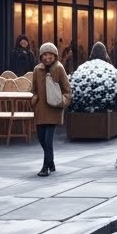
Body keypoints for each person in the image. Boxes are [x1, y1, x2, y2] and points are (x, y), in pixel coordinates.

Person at [30, 41, 71, 176]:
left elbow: (67, 90)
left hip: (54, 110)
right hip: (40, 110)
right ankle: (51, 162)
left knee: (48, 140)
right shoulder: (37, 70)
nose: (47, 58)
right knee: (42, 139)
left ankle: (45, 167)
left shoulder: (59, 68)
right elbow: (34, 89)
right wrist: (34, 99)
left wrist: (63, 102)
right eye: (44, 55)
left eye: (50, 55)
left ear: (55, 56)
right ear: (41, 56)